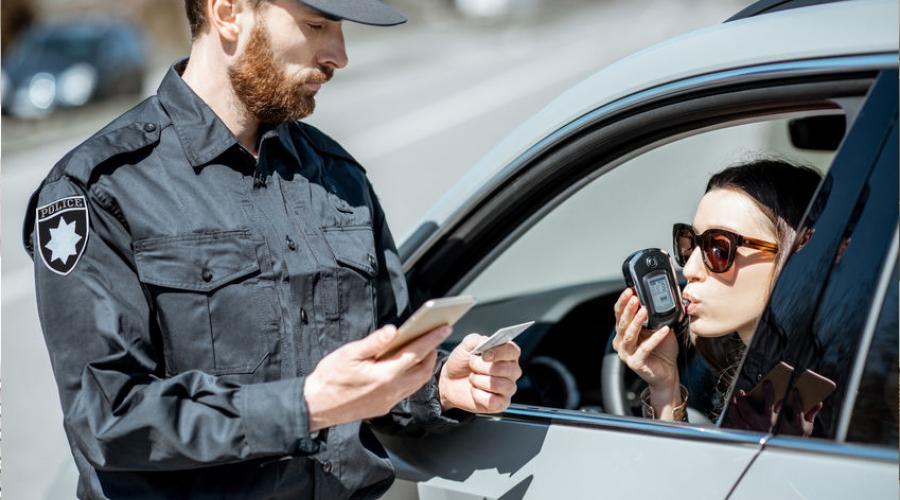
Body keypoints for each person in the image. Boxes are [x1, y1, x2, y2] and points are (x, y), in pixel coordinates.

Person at [22, 1, 523, 498]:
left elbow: (372, 367)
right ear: (227, 13)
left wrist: (438, 386)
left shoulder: (337, 176)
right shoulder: (101, 189)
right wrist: (305, 406)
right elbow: (109, 417)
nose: (340, 55)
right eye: (316, 25)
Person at [611, 159, 821, 427]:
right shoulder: (766, 379)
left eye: (719, 249)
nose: (689, 270)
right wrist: (665, 386)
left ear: (796, 253)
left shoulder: (830, 391)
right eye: (689, 245)